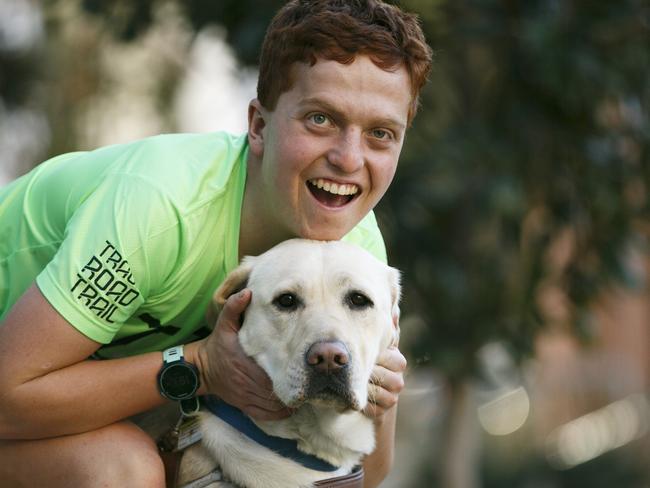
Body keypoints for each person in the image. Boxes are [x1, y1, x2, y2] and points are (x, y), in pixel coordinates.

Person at [0, 0, 432, 486]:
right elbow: (7, 399)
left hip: (61, 411)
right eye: (320, 119)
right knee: (125, 469)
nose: (349, 159)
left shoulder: (354, 253)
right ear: (259, 125)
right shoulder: (159, 212)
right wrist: (200, 367)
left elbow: (360, 475)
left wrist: (378, 393)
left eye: (380, 133)